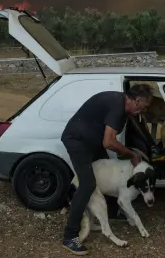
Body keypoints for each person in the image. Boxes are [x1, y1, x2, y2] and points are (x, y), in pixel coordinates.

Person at [60, 84, 154, 255]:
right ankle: (70, 236)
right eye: (144, 107)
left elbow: (109, 138)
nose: (143, 111)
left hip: (92, 141)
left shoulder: (123, 110)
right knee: (88, 184)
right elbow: (109, 142)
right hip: (77, 141)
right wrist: (131, 154)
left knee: (104, 169)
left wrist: (124, 153)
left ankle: (109, 212)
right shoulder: (117, 106)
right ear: (137, 100)